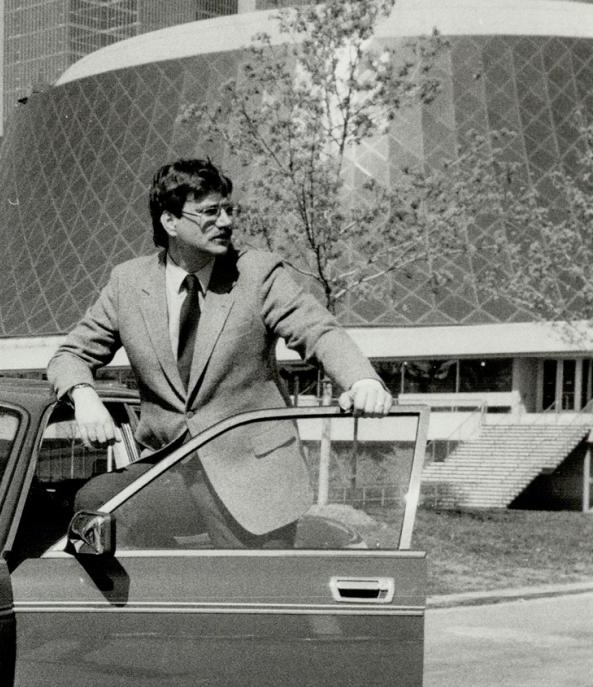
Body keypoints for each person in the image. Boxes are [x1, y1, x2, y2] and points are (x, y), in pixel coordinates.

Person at [47, 158, 393, 548]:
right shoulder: (128, 282)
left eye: (229, 210)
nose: (226, 222)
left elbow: (319, 331)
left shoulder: (258, 274)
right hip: (173, 470)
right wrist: (84, 394)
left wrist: (362, 380)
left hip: (253, 476)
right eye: (211, 212)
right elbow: (70, 354)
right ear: (170, 222)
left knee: (251, 597)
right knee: (100, 501)